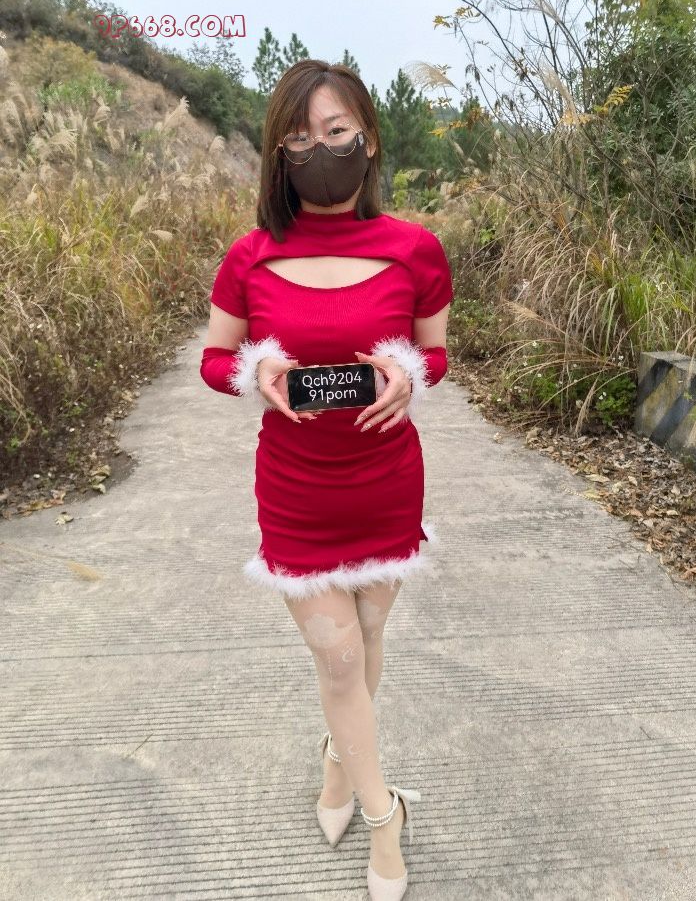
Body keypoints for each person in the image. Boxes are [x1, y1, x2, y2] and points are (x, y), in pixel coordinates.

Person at [200, 59, 453, 900]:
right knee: (339, 657)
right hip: (298, 488)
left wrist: (410, 372)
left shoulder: (415, 248)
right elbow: (214, 359)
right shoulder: (251, 256)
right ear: (279, 154)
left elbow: (437, 353)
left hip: (386, 481)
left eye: (336, 131)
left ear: (369, 139)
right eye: (299, 138)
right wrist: (257, 368)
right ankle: (386, 820)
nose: (319, 149)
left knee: (368, 641)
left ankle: (340, 766)